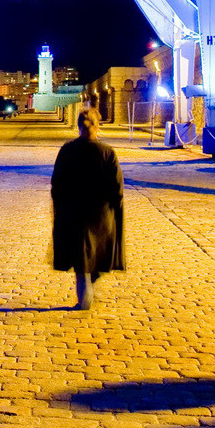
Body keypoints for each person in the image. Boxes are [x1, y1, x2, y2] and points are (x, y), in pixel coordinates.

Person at [51, 107, 125, 310]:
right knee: (95, 256)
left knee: (81, 258)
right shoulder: (107, 152)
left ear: (78, 126)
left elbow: (57, 184)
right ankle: (88, 291)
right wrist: (116, 212)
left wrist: (59, 209)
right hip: (101, 214)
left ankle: (84, 300)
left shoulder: (67, 150)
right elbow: (117, 189)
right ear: (97, 125)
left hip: (74, 212)